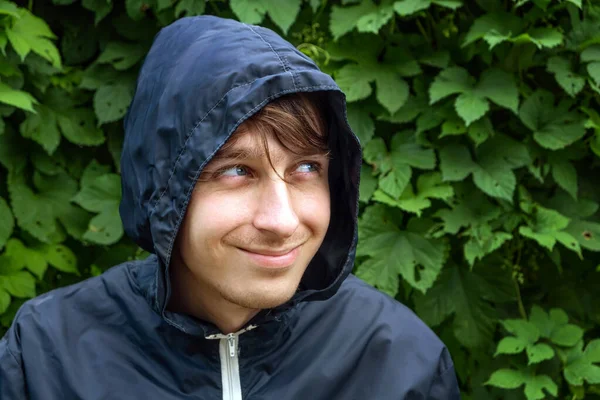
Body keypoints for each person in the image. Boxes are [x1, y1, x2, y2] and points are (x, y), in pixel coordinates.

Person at [0, 15, 460, 399]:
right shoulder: (46, 359)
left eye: (305, 169)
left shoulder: (399, 363)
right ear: (164, 187)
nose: (281, 221)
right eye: (237, 171)